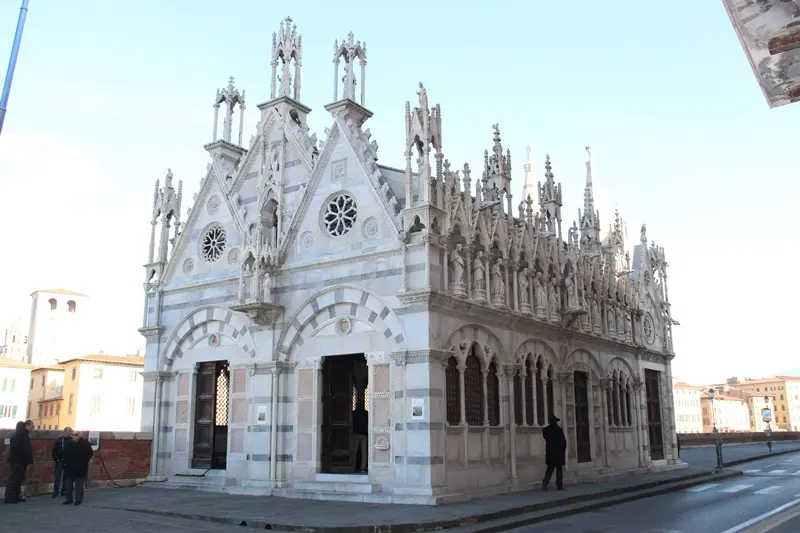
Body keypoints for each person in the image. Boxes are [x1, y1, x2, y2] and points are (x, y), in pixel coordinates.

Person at [4, 420, 33, 504]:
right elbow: (18, 449)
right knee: (14, 479)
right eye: (32, 426)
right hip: (17, 461)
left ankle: (16, 495)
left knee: (18, 479)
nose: (32, 428)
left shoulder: (21, 436)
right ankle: (10, 497)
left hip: (20, 461)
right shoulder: (18, 436)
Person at [62, 430, 94, 505]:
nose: (73, 436)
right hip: (69, 467)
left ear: (80, 436)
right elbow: (64, 453)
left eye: (75, 435)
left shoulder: (85, 444)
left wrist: (84, 461)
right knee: (68, 485)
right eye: (72, 435)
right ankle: (68, 499)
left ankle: (78, 499)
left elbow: (90, 454)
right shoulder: (69, 443)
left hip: (80, 467)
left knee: (79, 485)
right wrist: (65, 462)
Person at [542, 415, 567, 491]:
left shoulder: (546, 430)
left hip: (551, 453)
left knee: (550, 469)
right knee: (558, 470)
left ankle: (545, 483)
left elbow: (546, 438)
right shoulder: (558, 430)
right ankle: (559, 485)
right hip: (558, 452)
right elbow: (564, 441)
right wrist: (562, 450)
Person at [52, 427, 73, 498]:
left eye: (71, 431)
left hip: (68, 461)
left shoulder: (72, 440)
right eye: (69, 431)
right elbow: (54, 450)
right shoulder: (59, 440)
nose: (70, 433)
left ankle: (64, 490)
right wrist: (56, 459)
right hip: (60, 460)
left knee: (66, 476)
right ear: (64, 432)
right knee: (58, 476)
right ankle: (56, 490)